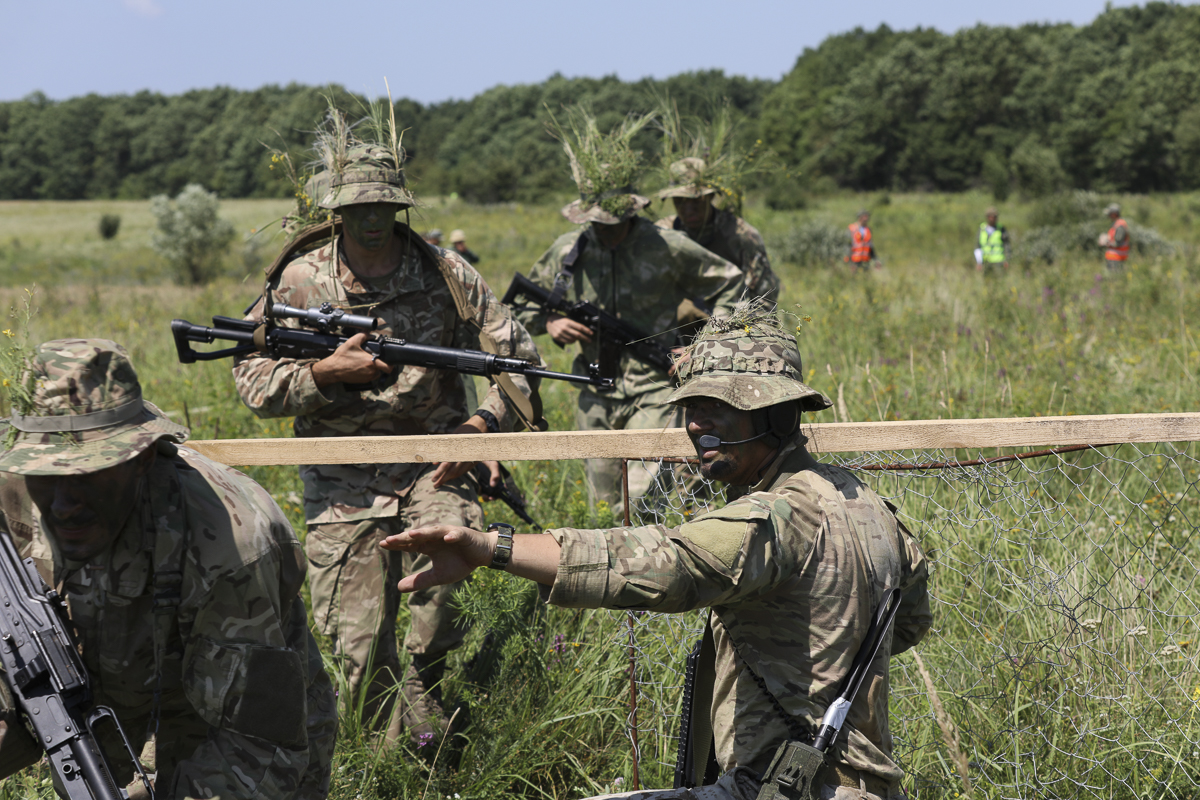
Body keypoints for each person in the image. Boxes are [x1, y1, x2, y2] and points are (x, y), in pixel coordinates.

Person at [380, 308, 932, 800]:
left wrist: (490, 548)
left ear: (779, 416)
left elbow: (667, 563)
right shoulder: (871, 507)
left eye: (720, 407)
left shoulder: (777, 516)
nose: (696, 424)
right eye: (692, 405)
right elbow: (908, 625)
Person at [232, 140, 544, 749]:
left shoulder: (447, 273)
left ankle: (426, 690)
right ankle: (386, 760)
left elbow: (521, 361)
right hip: (339, 476)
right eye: (358, 208)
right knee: (359, 642)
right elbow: (250, 377)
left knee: (450, 568)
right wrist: (325, 374)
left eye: (383, 206)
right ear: (335, 212)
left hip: (437, 462)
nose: (372, 220)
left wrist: (479, 428)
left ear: (399, 208)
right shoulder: (299, 280)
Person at [0, 338, 336, 800]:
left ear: (140, 459)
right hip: (102, 715)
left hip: (238, 736)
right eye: (44, 473)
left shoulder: (229, 546)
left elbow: (261, 747)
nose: (62, 504)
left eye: (86, 475)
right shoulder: (10, 485)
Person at [517, 113, 745, 508]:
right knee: (602, 504)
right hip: (593, 387)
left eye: (614, 221)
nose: (605, 229)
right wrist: (550, 321)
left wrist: (704, 346)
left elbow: (730, 282)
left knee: (639, 499)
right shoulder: (569, 250)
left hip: (653, 387)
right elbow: (513, 312)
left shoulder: (665, 244)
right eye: (597, 221)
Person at [655, 158, 781, 308]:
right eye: (679, 201)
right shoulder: (663, 234)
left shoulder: (741, 236)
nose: (688, 209)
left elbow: (764, 302)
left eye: (696, 200)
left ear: (710, 196)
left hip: (731, 321)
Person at [975, 206, 1009, 272]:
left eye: (995, 216)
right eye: (991, 216)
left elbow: (1007, 245)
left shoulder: (1001, 229)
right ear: (987, 217)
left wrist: (1007, 260)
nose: (993, 218)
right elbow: (978, 246)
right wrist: (979, 262)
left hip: (999, 262)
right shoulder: (982, 229)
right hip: (986, 262)